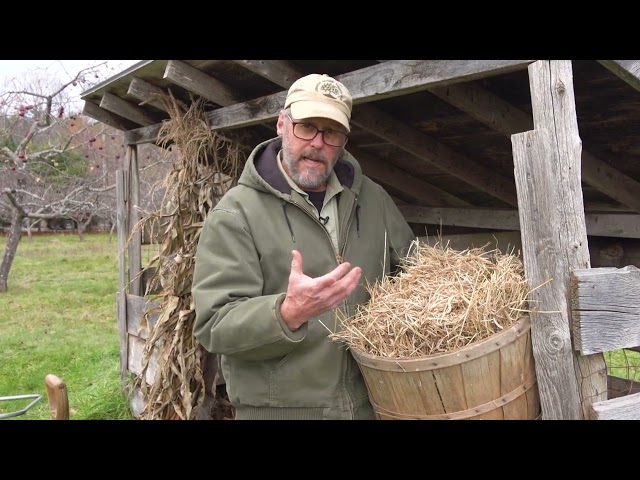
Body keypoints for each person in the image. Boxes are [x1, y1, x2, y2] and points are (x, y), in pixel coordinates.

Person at [191, 73, 416, 420]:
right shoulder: (236, 214)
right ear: (282, 123)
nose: (317, 143)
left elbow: (416, 275)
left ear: (344, 139)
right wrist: (288, 312)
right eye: (306, 126)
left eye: (331, 132)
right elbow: (215, 326)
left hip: (373, 405)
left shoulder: (373, 199)